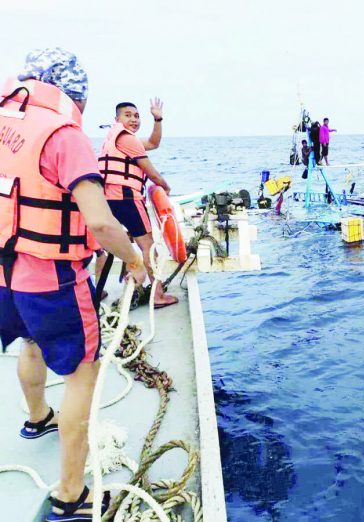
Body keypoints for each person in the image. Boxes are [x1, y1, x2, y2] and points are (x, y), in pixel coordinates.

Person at [0, 48, 147, 521]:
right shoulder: (64, 136)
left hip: (6, 273)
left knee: (30, 343)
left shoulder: (7, 123)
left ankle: (36, 418)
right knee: (82, 372)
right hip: (54, 279)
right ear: (72, 91)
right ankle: (70, 494)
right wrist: (135, 260)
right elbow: (102, 225)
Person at [96, 100, 177, 308]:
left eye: (136, 116)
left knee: (109, 246)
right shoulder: (126, 138)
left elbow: (153, 143)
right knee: (148, 246)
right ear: (117, 119)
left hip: (109, 199)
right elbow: (150, 172)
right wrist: (165, 187)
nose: (133, 119)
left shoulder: (115, 138)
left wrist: (157, 119)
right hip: (127, 198)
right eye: (128, 115)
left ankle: (102, 289)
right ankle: (157, 295)